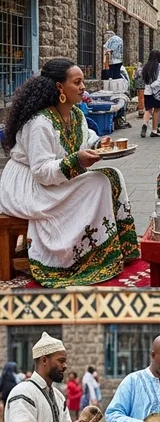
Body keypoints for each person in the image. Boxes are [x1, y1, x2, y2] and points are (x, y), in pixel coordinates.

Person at [0, 58, 138, 287]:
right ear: (59, 87)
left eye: (83, 81)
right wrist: (77, 161)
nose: (83, 86)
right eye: (77, 82)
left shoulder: (76, 115)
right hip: (29, 188)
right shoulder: (39, 123)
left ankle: (105, 248)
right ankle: (75, 255)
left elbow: (86, 141)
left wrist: (99, 144)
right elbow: (42, 172)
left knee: (110, 176)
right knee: (100, 182)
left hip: (56, 182)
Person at [141, 50, 160, 138]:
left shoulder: (146, 66)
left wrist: (149, 86)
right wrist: (153, 86)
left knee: (148, 109)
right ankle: (154, 131)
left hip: (147, 92)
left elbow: (144, 79)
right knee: (156, 110)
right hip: (157, 93)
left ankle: (145, 124)